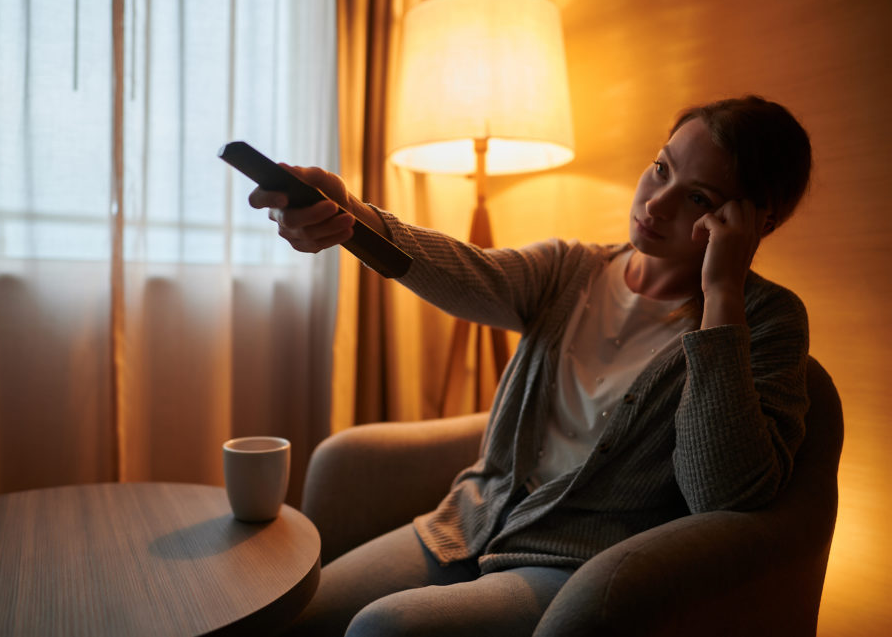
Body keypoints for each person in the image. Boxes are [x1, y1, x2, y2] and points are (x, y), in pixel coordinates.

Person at [249, 95, 813, 637]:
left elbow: (721, 497)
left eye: (698, 199)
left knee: (382, 629)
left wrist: (721, 297)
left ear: (754, 224)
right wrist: (352, 215)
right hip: (470, 521)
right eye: (661, 168)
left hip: (574, 566)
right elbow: (470, 273)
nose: (656, 203)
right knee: (286, 616)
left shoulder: (766, 321)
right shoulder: (572, 268)